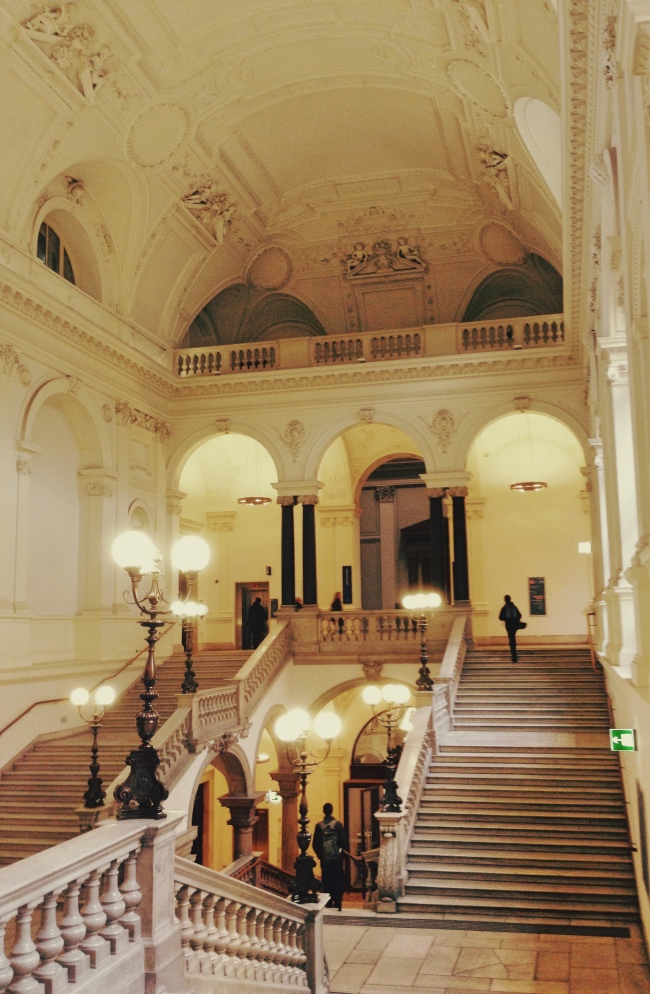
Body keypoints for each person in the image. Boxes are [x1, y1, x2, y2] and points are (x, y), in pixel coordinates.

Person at [313, 802, 347, 910]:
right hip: (336, 859)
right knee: (338, 880)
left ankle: (327, 902)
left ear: (323, 811)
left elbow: (315, 844)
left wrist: (321, 855)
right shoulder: (338, 825)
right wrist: (341, 856)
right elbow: (343, 843)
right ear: (332, 811)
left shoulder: (319, 826)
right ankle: (337, 902)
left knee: (326, 880)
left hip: (325, 860)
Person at [499, 594, 522, 662]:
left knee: (511, 639)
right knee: (513, 638)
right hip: (515, 624)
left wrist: (506, 618)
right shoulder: (514, 607)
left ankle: (514, 656)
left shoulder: (505, 608)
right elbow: (519, 615)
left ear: (505, 600)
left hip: (509, 625)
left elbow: (500, 617)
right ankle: (515, 655)